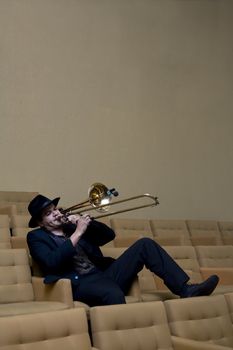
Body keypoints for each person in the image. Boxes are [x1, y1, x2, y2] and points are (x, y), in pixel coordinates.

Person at [27, 194, 219, 306]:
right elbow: (51, 262)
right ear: (39, 222)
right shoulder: (36, 237)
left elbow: (108, 237)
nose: (56, 213)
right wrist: (78, 233)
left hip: (103, 273)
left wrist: (87, 224)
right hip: (78, 284)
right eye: (48, 213)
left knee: (145, 244)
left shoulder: (71, 226)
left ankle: (185, 289)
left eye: (55, 209)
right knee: (113, 293)